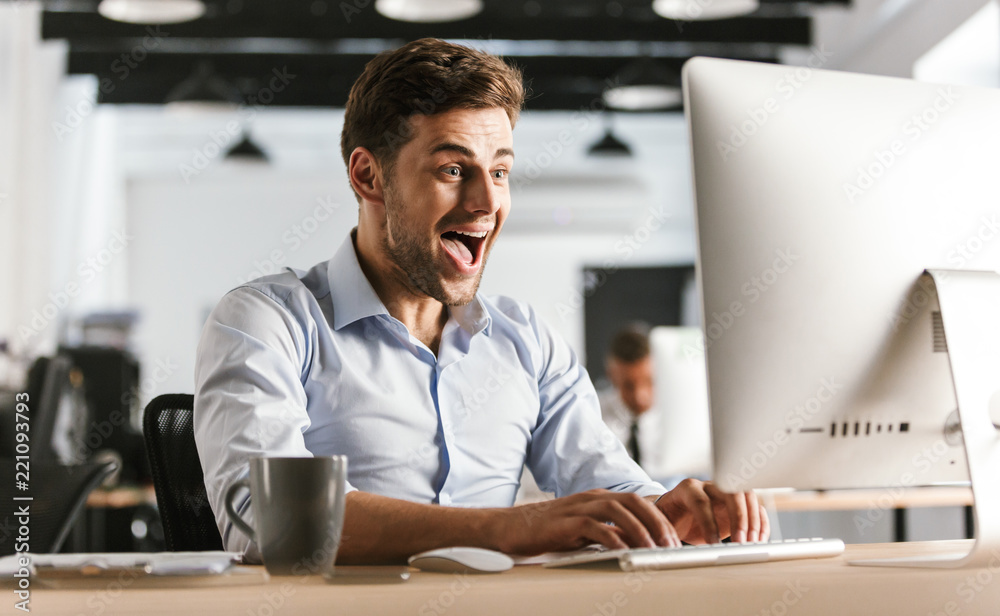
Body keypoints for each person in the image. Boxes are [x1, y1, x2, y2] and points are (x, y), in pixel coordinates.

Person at [193, 38, 768, 565]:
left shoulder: (527, 340)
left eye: (500, 171)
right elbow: (272, 523)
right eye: (452, 169)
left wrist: (672, 512)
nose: (487, 202)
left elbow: (606, 484)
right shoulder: (267, 321)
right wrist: (511, 528)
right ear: (368, 176)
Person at [598, 325, 656, 468]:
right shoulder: (593, 417)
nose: (639, 397)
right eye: (628, 385)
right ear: (611, 375)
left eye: (649, 381)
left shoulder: (681, 414)